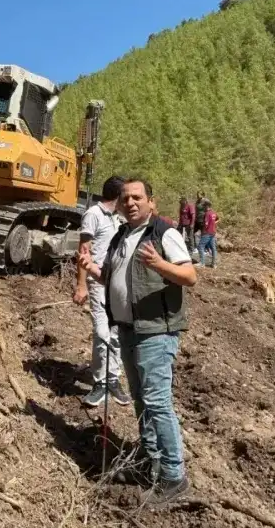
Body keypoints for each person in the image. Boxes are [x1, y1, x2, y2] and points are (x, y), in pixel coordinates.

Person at [78, 178, 197, 508]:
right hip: (129, 330)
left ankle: (173, 477)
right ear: (118, 204)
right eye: (125, 198)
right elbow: (112, 277)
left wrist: (159, 264)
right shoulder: (121, 235)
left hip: (155, 331)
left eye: (137, 197)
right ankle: (149, 460)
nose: (130, 203)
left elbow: (190, 276)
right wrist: (92, 269)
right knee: (142, 401)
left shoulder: (163, 233)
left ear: (151, 202)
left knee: (157, 402)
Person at [72, 176, 131, 408]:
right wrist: (81, 285)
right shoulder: (93, 215)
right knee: (102, 332)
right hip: (97, 281)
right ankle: (100, 383)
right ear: (117, 196)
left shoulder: (117, 217)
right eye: (125, 196)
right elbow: (83, 250)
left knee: (116, 333)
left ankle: (113, 379)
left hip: (116, 283)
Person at [198, 201, 219, 268]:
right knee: (213, 248)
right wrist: (213, 224)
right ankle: (214, 264)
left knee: (200, 246)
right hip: (213, 232)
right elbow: (218, 219)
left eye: (204, 206)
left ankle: (202, 263)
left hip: (207, 232)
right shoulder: (214, 213)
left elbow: (206, 224)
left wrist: (202, 232)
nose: (203, 207)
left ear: (207, 206)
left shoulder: (207, 214)